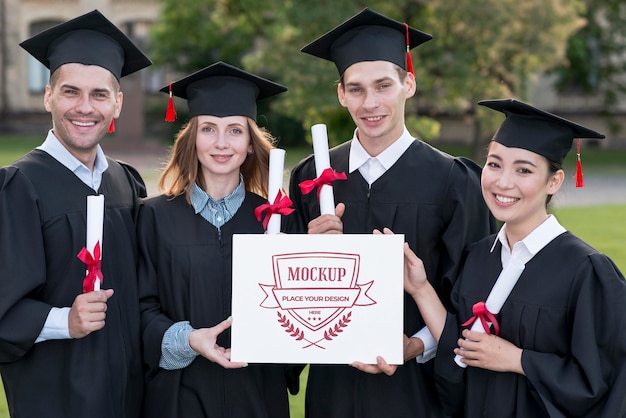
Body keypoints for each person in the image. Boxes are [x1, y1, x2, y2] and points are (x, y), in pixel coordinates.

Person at [288, 7, 496, 418]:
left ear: (408, 84)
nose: (371, 103)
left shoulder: (453, 180)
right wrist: (306, 253)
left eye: (383, 85)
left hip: (417, 388)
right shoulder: (312, 176)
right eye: (357, 88)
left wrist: (417, 344)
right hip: (332, 386)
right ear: (341, 94)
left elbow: (474, 295)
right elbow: (286, 294)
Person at [401, 98, 626, 417]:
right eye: (494, 164)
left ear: (554, 181)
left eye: (523, 169)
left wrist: (518, 360)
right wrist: (421, 288)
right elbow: (460, 352)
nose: (503, 182)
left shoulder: (586, 270)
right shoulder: (479, 257)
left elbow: (605, 381)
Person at [0, 9, 151, 418]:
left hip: (131, 396)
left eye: (99, 94)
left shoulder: (127, 183)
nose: (85, 107)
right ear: (49, 95)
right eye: (70, 92)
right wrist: (64, 321)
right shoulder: (18, 187)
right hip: (55, 398)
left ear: (117, 104)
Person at [138, 61, 292, 418]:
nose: (221, 143)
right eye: (208, 129)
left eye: (235, 131)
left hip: (258, 395)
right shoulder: (154, 216)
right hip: (178, 397)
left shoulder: (278, 220)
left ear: (251, 145)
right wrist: (188, 340)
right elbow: (140, 308)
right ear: (193, 139)